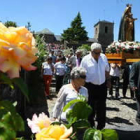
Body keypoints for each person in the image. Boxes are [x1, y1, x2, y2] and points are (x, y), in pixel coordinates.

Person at [80, 42, 110, 130]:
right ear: (91, 51)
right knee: (90, 107)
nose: (98, 55)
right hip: (90, 86)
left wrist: (108, 80)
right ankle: (90, 126)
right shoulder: (85, 59)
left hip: (102, 86)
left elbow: (107, 70)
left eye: (99, 52)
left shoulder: (103, 57)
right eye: (96, 53)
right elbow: (82, 73)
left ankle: (101, 126)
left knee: (102, 107)